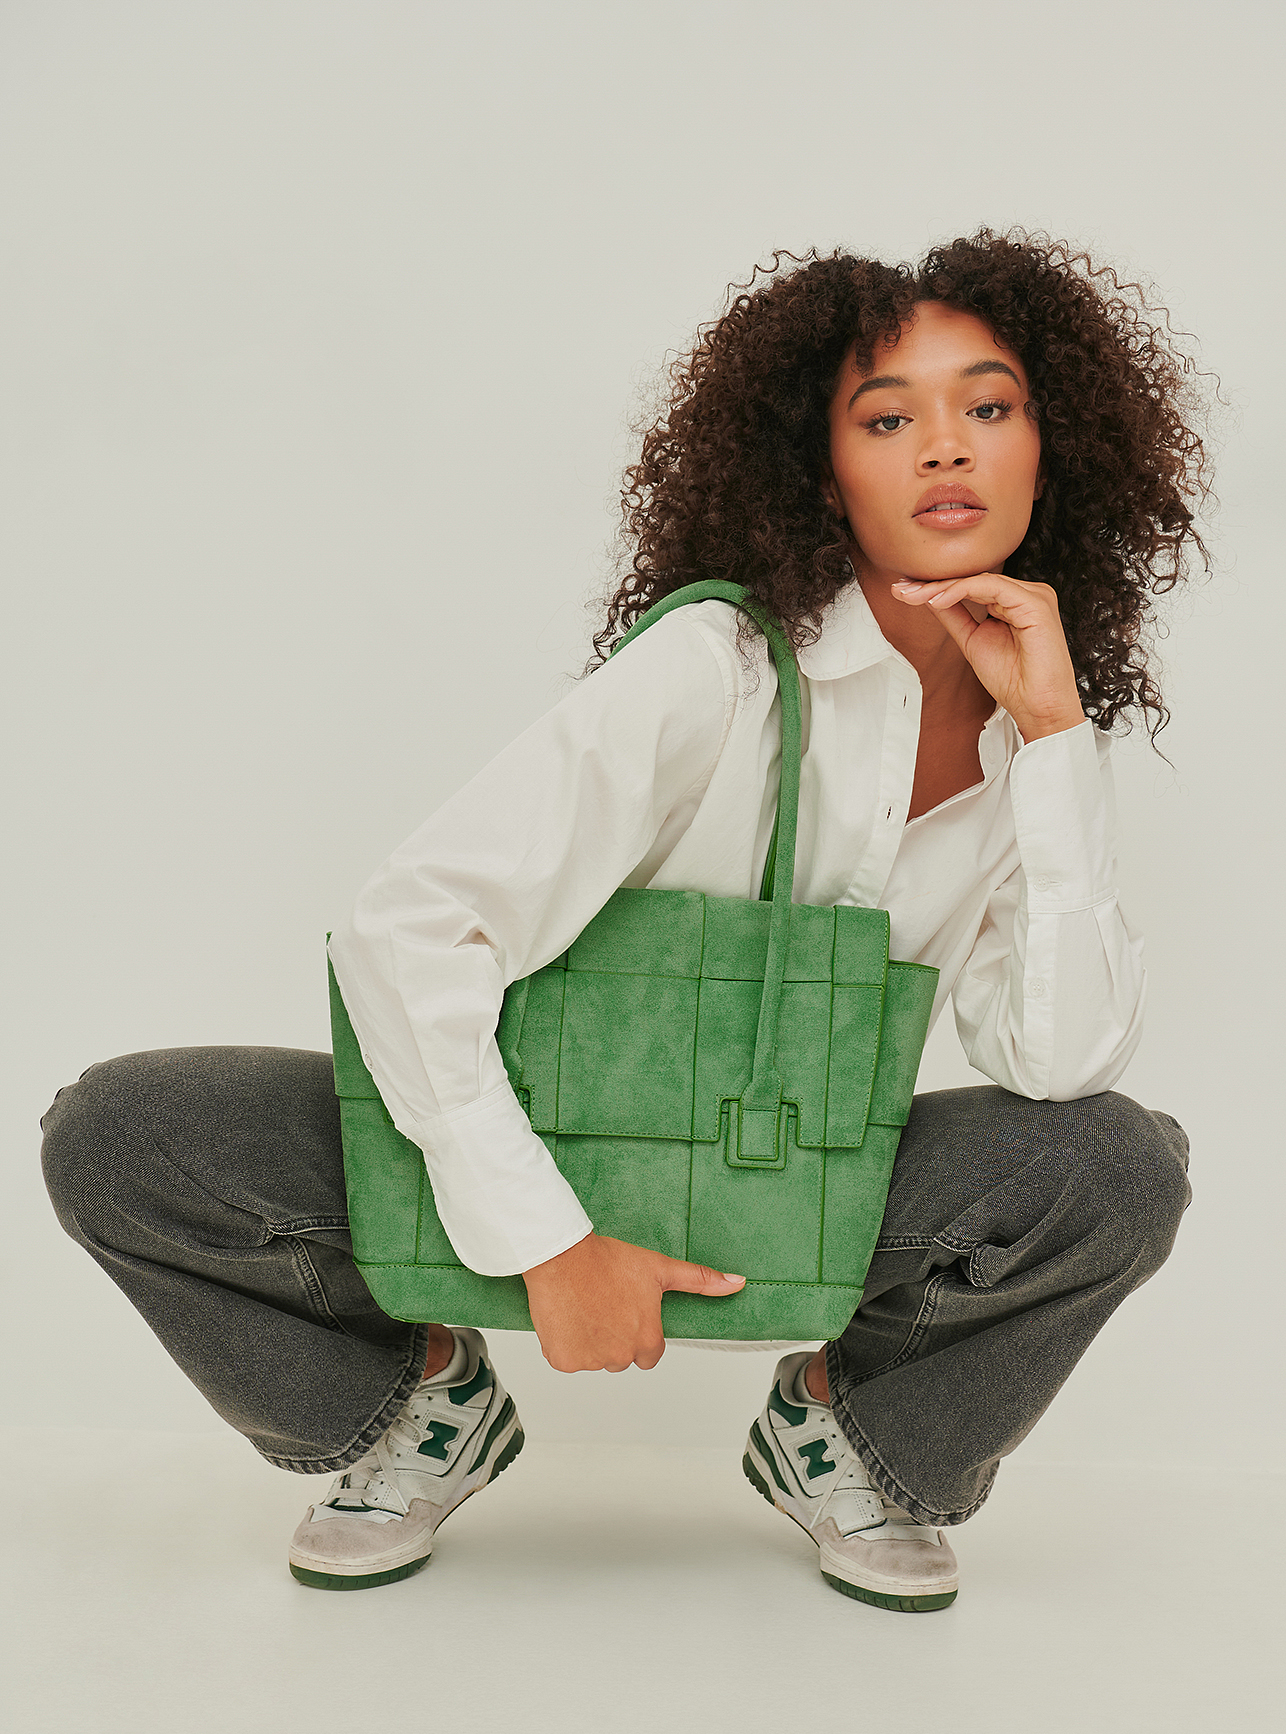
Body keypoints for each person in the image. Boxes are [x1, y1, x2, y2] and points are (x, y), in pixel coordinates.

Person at [41, 228, 1210, 1611]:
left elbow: (1059, 1067)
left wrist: (1057, 742)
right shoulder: (716, 669)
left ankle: (851, 1435)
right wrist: (545, 1241)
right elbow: (407, 929)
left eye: (990, 407)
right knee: (117, 1137)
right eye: (887, 418)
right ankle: (415, 1406)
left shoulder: (1033, 753)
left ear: (1050, 450)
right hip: (539, 1154)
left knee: (1121, 1165)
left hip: (810, 1196)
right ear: (821, 467)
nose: (945, 446)